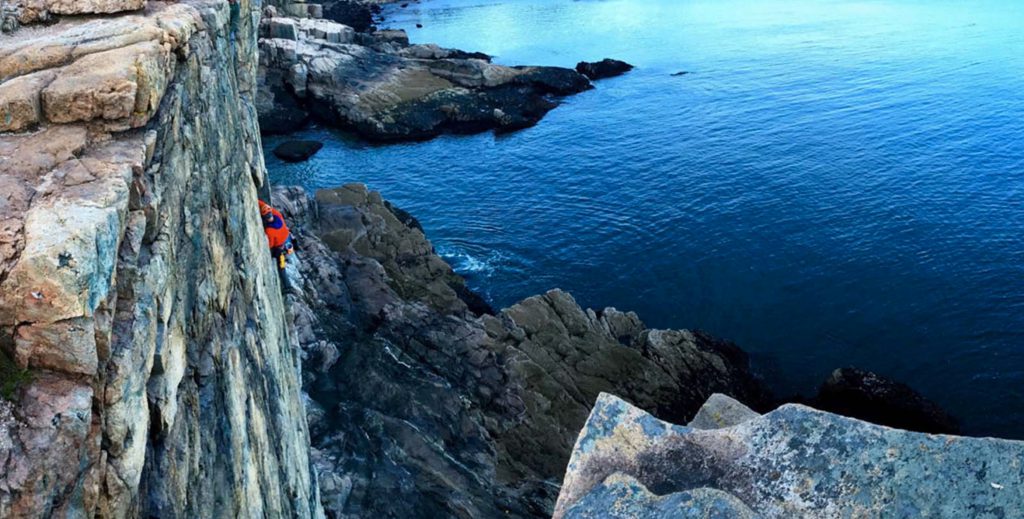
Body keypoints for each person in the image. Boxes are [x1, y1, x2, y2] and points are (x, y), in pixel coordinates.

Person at [259, 199, 296, 290]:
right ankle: (290, 258)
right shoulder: (277, 215)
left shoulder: (270, 231)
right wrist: (258, 202)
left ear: (264, 218)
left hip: (280, 249)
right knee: (288, 255)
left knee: (281, 267)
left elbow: (270, 245)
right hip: (288, 241)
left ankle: (288, 286)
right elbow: (266, 206)